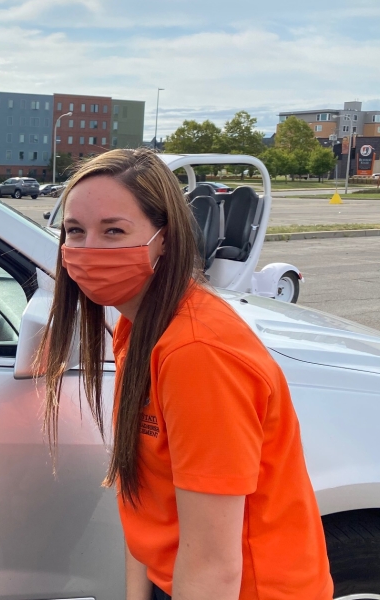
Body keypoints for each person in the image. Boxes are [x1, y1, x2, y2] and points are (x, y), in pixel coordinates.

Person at [39, 149, 332, 600]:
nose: (87, 250)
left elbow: (214, 566)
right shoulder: (139, 326)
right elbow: (144, 501)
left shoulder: (197, 353)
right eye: (75, 231)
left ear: (166, 239)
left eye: (113, 231)